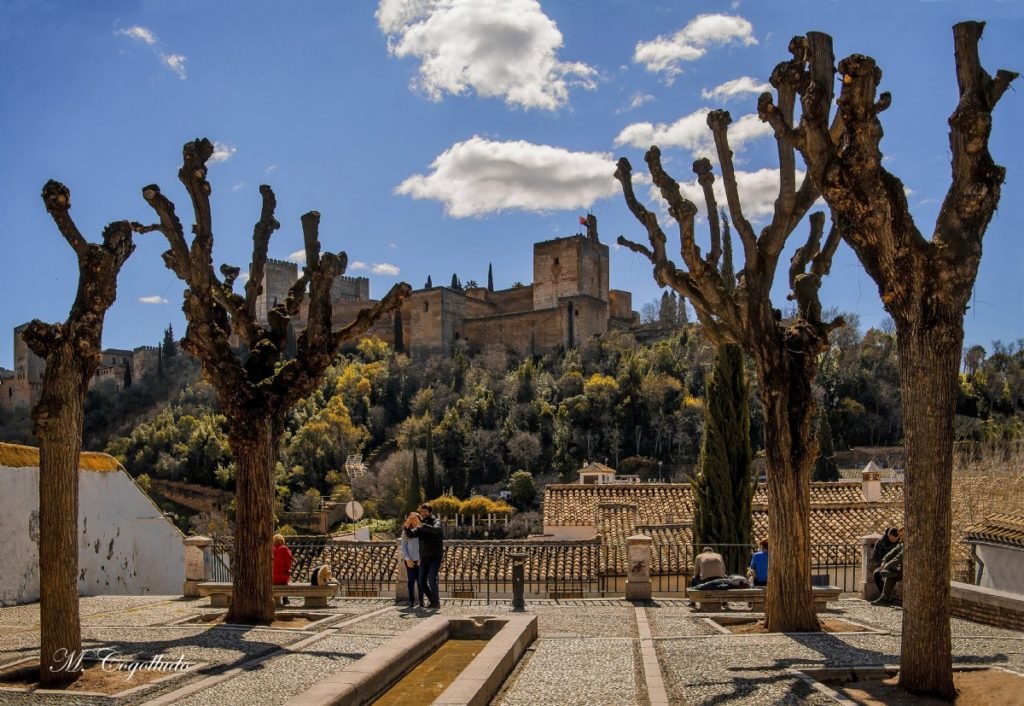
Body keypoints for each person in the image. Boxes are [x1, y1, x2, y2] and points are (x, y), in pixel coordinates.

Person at [406, 503, 443, 609]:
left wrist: (421, 525)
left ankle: (436, 603)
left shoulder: (437, 521)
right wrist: (407, 524)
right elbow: (410, 535)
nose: (423, 514)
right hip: (424, 557)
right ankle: (433, 601)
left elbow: (435, 530)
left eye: (425, 512)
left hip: (435, 555)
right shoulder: (420, 525)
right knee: (421, 581)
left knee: (431, 578)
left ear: (430, 512)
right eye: (421, 512)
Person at [871, 531, 905, 606]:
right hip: (897, 569)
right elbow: (891, 553)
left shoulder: (907, 544)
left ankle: (885, 598)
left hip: (904, 570)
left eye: (903, 535)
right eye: (900, 535)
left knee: (887, 574)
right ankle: (884, 598)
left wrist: (887, 565)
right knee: (886, 575)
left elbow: (898, 557)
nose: (901, 536)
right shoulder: (901, 543)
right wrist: (884, 560)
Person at [400, 511, 424, 608]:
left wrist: (420, 558)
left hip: (420, 560)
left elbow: (424, 546)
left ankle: (422, 601)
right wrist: (407, 559)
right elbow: (403, 546)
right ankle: (411, 601)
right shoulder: (406, 532)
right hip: (409, 561)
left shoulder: (422, 531)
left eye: (415, 519)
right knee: (411, 581)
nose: (414, 521)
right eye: (412, 519)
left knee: (420, 581)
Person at [272, 533, 293, 605]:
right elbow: (288, 565)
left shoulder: (270, 550)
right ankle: (285, 598)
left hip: (272, 578)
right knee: (285, 579)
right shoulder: (285, 550)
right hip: (282, 578)